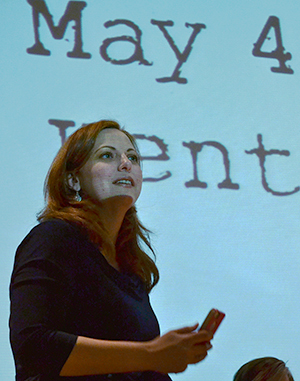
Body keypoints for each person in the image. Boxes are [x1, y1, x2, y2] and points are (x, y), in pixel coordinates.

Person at [9, 120, 213, 381]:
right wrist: (150, 353)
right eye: (107, 155)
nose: (126, 164)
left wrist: (161, 359)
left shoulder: (131, 267)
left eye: (133, 158)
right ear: (73, 179)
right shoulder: (53, 238)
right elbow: (33, 346)